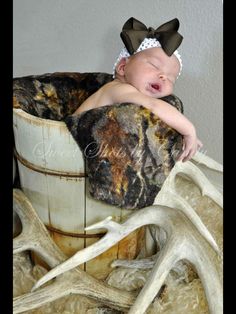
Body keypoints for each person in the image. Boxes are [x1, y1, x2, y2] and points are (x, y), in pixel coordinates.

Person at [73, 17, 202, 162]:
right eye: (154, 66)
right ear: (123, 67)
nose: (163, 76)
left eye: (171, 78)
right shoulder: (117, 89)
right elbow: (153, 105)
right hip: (67, 147)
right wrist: (189, 131)